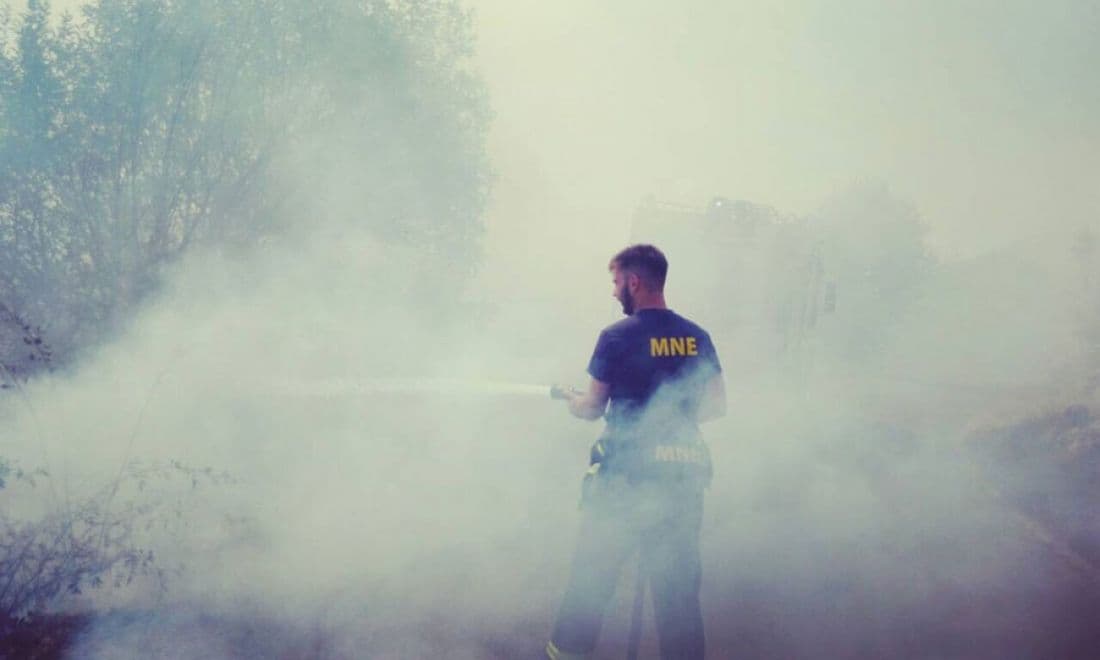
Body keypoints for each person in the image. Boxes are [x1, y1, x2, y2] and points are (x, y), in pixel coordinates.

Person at [546, 244, 726, 660]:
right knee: (678, 595)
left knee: (591, 580)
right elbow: (717, 406)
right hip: (682, 479)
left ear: (634, 282)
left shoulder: (616, 337)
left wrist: (577, 402)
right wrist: (673, 416)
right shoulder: (698, 337)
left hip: (624, 480)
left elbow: (592, 407)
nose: (613, 293)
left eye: (615, 282)